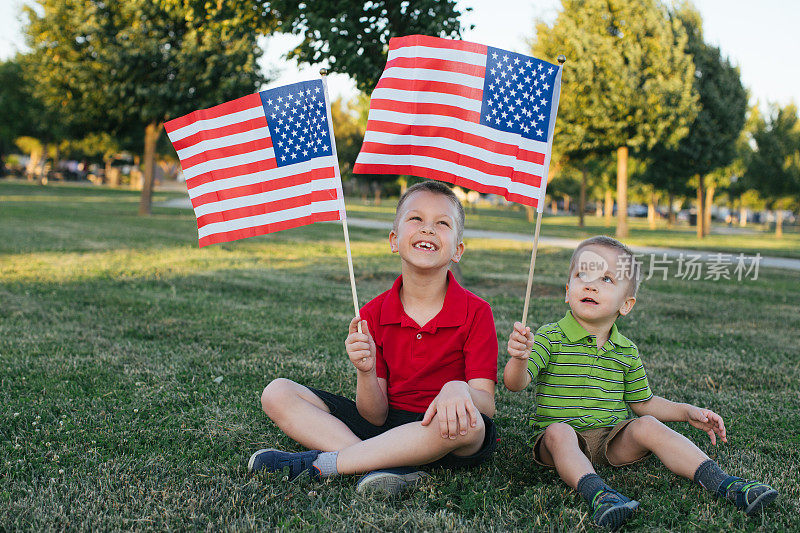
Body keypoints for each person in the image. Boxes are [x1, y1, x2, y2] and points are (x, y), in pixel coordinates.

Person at [503, 236, 778, 529]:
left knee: (647, 425)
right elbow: (515, 383)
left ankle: (726, 484)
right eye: (582, 274)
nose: (591, 284)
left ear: (626, 304)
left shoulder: (626, 350)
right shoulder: (549, 337)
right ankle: (601, 496)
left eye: (606, 278)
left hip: (612, 440)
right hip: (560, 444)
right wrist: (520, 358)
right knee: (559, 432)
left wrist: (686, 412)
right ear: (567, 291)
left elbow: (643, 403)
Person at [249, 181, 499, 494]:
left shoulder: (476, 311)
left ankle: (326, 464)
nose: (428, 229)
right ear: (394, 241)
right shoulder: (373, 313)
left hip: (445, 431)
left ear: (458, 250)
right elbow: (374, 415)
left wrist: (457, 388)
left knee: (473, 425)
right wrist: (365, 371)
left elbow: (485, 405)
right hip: (386, 424)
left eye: (443, 223)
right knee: (277, 392)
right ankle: (389, 467)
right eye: (416, 219)